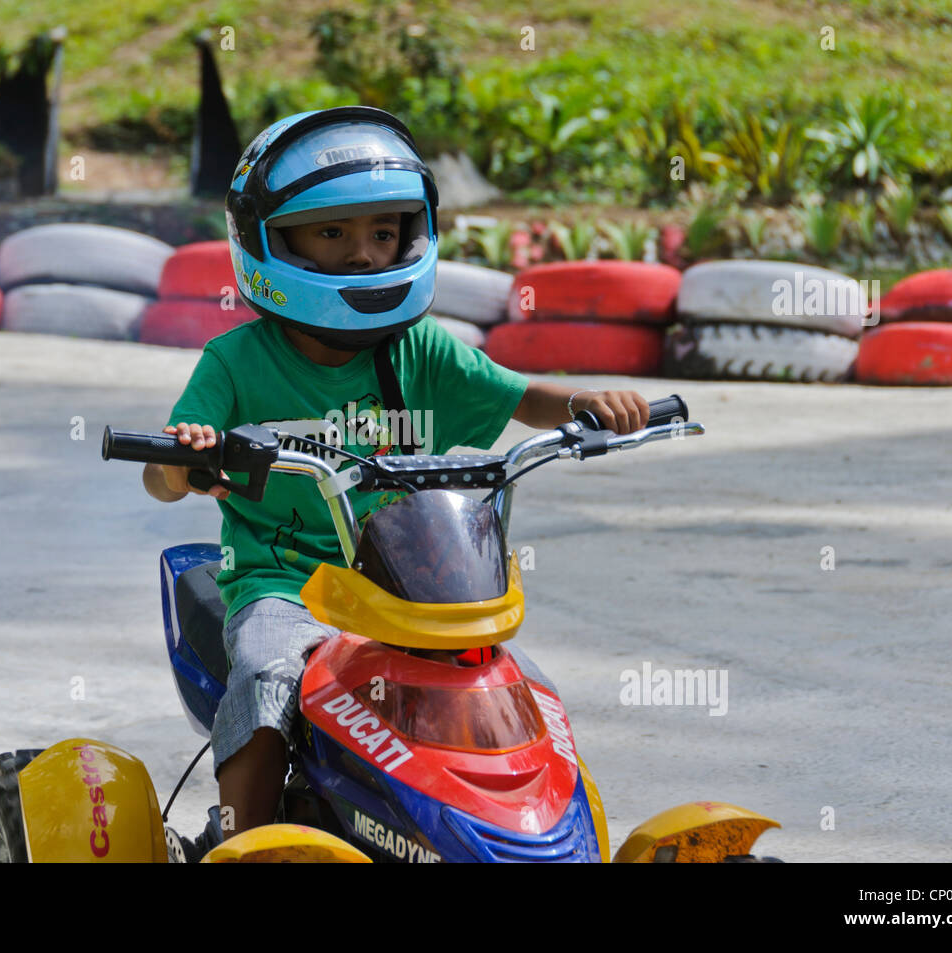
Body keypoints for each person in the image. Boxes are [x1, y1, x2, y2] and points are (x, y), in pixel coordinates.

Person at [143, 107, 648, 858]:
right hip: (287, 587)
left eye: (383, 233)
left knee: (520, 688)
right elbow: (162, 474)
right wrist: (190, 458)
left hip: (408, 588)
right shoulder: (235, 362)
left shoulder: (420, 349)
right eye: (332, 233)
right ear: (268, 241)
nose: (363, 254)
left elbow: (519, 398)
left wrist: (581, 403)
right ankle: (242, 840)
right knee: (266, 675)